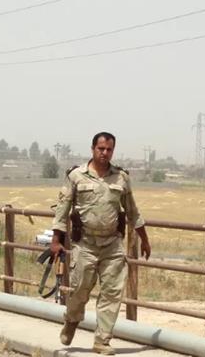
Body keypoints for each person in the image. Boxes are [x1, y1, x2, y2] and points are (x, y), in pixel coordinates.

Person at [50, 132, 151, 355]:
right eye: (101, 149)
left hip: (112, 245)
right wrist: (56, 241)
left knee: (112, 293)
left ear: (113, 151)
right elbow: (62, 209)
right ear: (93, 149)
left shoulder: (121, 178)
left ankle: (102, 341)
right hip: (84, 244)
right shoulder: (76, 176)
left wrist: (144, 239)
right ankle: (71, 320)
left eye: (109, 150)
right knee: (79, 291)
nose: (104, 153)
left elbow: (133, 211)